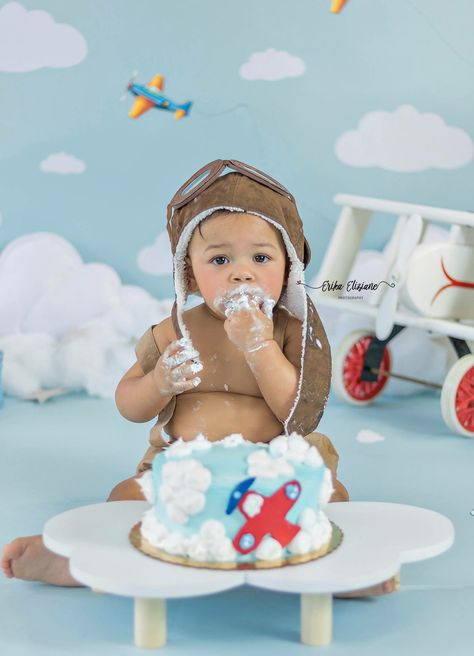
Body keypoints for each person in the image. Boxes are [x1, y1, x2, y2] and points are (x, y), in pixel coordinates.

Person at [2, 159, 395, 595]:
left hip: (276, 465)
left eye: (261, 257)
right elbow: (128, 404)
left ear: (288, 269)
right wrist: (159, 384)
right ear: (189, 271)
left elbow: (298, 412)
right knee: (124, 502)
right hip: (179, 467)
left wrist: (259, 348)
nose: (241, 272)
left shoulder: (288, 332)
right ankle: (80, 561)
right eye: (220, 258)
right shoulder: (178, 328)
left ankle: (340, 573)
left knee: (329, 499)